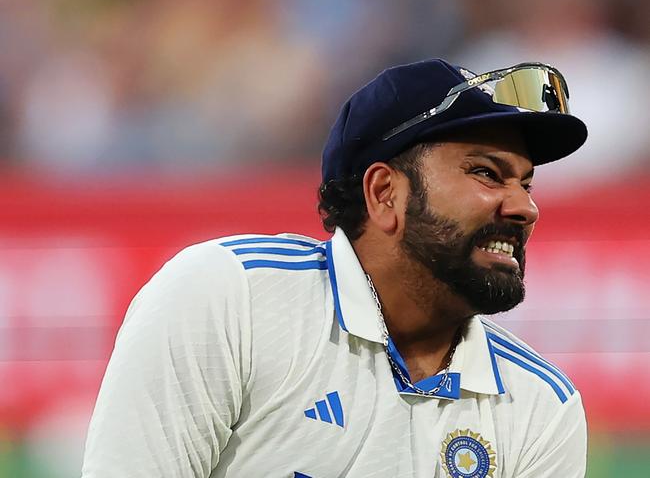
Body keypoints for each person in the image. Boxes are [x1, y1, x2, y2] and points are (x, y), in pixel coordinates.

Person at [81, 59, 588, 478]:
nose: (524, 207)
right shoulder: (228, 297)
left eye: (527, 184)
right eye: (486, 173)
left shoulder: (542, 406)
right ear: (384, 193)